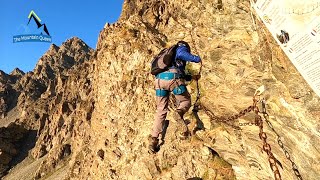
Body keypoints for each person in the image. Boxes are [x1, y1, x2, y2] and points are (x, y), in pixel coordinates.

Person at [149, 41, 201, 153]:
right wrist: (198, 59)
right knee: (185, 101)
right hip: (173, 80)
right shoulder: (180, 48)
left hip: (159, 81)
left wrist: (192, 77)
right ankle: (179, 112)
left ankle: (154, 139)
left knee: (161, 110)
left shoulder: (166, 56)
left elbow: (181, 74)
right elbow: (183, 55)